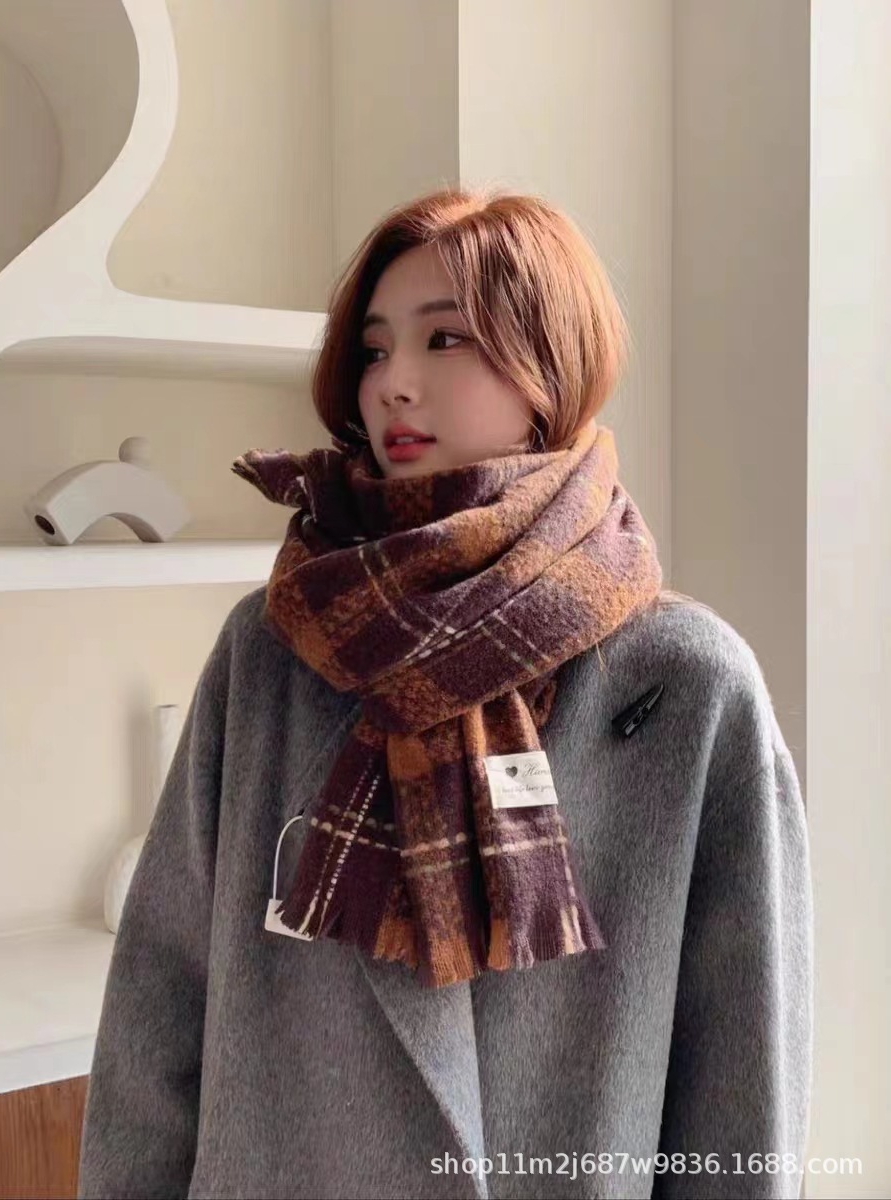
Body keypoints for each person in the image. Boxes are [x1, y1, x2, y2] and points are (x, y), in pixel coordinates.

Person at [77, 186, 813, 1199]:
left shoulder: (686, 687)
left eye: (445, 339)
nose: (394, 383)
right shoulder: (274, 652)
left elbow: (742, 1089)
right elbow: (159, 1005)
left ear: (547, 363)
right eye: (375, 349)